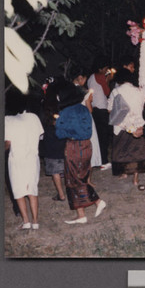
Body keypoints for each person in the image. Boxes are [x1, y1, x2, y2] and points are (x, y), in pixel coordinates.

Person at [55, 83, 107, 224]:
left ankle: (96, 202)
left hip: (74, 146)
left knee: (73, 179)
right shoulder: (84, 109)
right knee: (81, 176)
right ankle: (81, 214)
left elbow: (59, 133)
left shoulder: (66, 112)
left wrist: (58, 123)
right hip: (87, 145)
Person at [5, 90, 44, 229]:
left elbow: (7, 143)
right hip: (32, 159)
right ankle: (35, 222)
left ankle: (26, 221)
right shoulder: (34, 117)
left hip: (16, 160)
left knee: (19, 191)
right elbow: (40, 137)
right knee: (32, 190)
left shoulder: (7, 120)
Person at [107, 68, 145, 188]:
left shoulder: (116, 91)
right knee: (137, 152)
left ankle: (124, 172)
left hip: (122, 125)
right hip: (138, 124)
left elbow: (109, 108)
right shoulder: (139, 91)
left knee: (122, 151)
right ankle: (135, 177)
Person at [69, 66, 102, 185]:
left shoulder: (67, 91)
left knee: (76, 149)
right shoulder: (84, 92)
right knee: (89, 148)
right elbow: (89, 110)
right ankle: (88, 180)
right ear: (80, 78)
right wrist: (90, 100)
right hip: (85, 121)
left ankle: (76, 178)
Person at [40, 76, 67, 201]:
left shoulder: (44, 103)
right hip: (62, 136)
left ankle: (61, 195)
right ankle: (69, 191)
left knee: (55, 170)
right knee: (65, 165)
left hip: (51, 139)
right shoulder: (62, 101)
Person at [87, 57, 113, 170]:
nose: (106, 70)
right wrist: (109, 80)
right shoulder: (100, 76)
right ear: (101, 68)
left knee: (98, 136)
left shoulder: (90, 78)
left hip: (94, 109)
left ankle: (98, 160)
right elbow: (107, 92)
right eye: (105, 68)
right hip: (102, 109)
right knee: (104, 137)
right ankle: (104, 161)